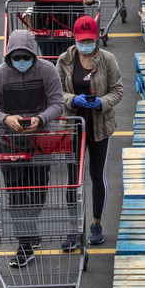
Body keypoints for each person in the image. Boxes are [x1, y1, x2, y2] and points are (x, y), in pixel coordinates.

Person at [0, 29, 65, 267]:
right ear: (9, 56)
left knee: (38, 193)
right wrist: (5, 119)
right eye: (15, 57)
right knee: (16, 196)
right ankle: (25, 245)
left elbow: (57, 104)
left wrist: (41, 119)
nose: (20, 61)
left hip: (39, 144)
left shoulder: (48, 71)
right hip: (9, 144)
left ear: (32, 54)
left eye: (24, 56)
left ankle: (29, 229)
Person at [57, 16, 124, 246]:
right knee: (73, 179)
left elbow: (117, 90)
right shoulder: (65, 60)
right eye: (82, 40)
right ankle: (74, 228)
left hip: (100, 126)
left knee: (97, 175)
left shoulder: (107, 59)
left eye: (90, 40)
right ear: (75, 39)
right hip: (73, 126)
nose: (87, 43)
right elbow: (57, 93)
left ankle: (96, 222)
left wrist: (101, 102)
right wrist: (73, 99)